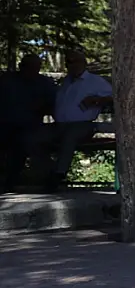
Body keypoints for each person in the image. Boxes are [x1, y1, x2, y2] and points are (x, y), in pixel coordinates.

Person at [31, 49, 112, 191]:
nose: (72, 65)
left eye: (76, 61)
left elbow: (114, 97)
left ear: (84, 63)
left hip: (83, 125)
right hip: (59, 125)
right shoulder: (66, 82)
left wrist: (97, 100)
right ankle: (48, 171)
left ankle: (58, 174)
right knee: (31, 138)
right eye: (69, 62)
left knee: (70, 136)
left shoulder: (95, 81)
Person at [0, 54, 56, 192]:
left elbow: (55, 104)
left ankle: (13, 180)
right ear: (21, 67)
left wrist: (42, 107)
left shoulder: (44, 83)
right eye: (28, 67)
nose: (32, 71)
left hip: (30, 125)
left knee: (25, 141)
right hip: (5, 123)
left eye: (36, 67)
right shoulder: (7, 81)